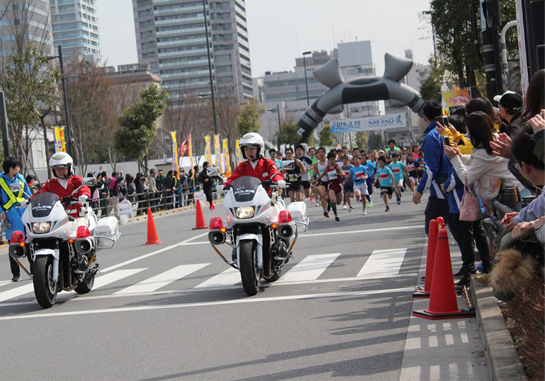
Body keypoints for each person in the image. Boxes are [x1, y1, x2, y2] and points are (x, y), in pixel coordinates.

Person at [445, 111, 525, 210]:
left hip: (504, 200)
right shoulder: (495, 140)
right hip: (514, 192)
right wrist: (459, 156)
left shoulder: (483, 152)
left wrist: (454, 158)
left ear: (473, 131)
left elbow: (467, 180)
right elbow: (476, 161)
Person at [413, 101, 451, 234]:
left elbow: (430, 170)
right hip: (454, 184)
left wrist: (420, 190)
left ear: (425, 118)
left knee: (433, 229)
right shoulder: (450, 131)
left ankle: (438, 255)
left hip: (440, 189)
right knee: (461, 230)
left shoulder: (431, 137)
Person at [33, 152, 91, 229]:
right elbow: (40, 193)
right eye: (57, 169)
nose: (60, 171)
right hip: (57, 218)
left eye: (63, 168)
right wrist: (29, 200)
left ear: (69, 167)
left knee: (81, 231)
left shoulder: (76, 180)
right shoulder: (50, 184)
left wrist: (84, 195)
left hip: (77, 216)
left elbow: (84, 188)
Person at [0, 157, 32, 282]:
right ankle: (16, 274)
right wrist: (1, 213)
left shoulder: (21, 179)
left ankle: (34, 269)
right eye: (17, 166)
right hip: (10, 216)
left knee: (30, 242)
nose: (19, 169)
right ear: (11, 168)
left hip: (24, 214)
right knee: (12, 245)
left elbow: (28, 195)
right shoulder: (1, 181)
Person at [324, 151, 344, 221]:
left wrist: (338, 174)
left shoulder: (337, 166)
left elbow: (343, 173)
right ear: (328, 160)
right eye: (330, 159)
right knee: (333, 199)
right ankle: (336, 215)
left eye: (333, 159)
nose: (332, 161)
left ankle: (333, 201)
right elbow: (322, 174)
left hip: (338, 185)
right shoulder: (327, 168)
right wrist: (315, 180)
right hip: (331, 185)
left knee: (338, 202)